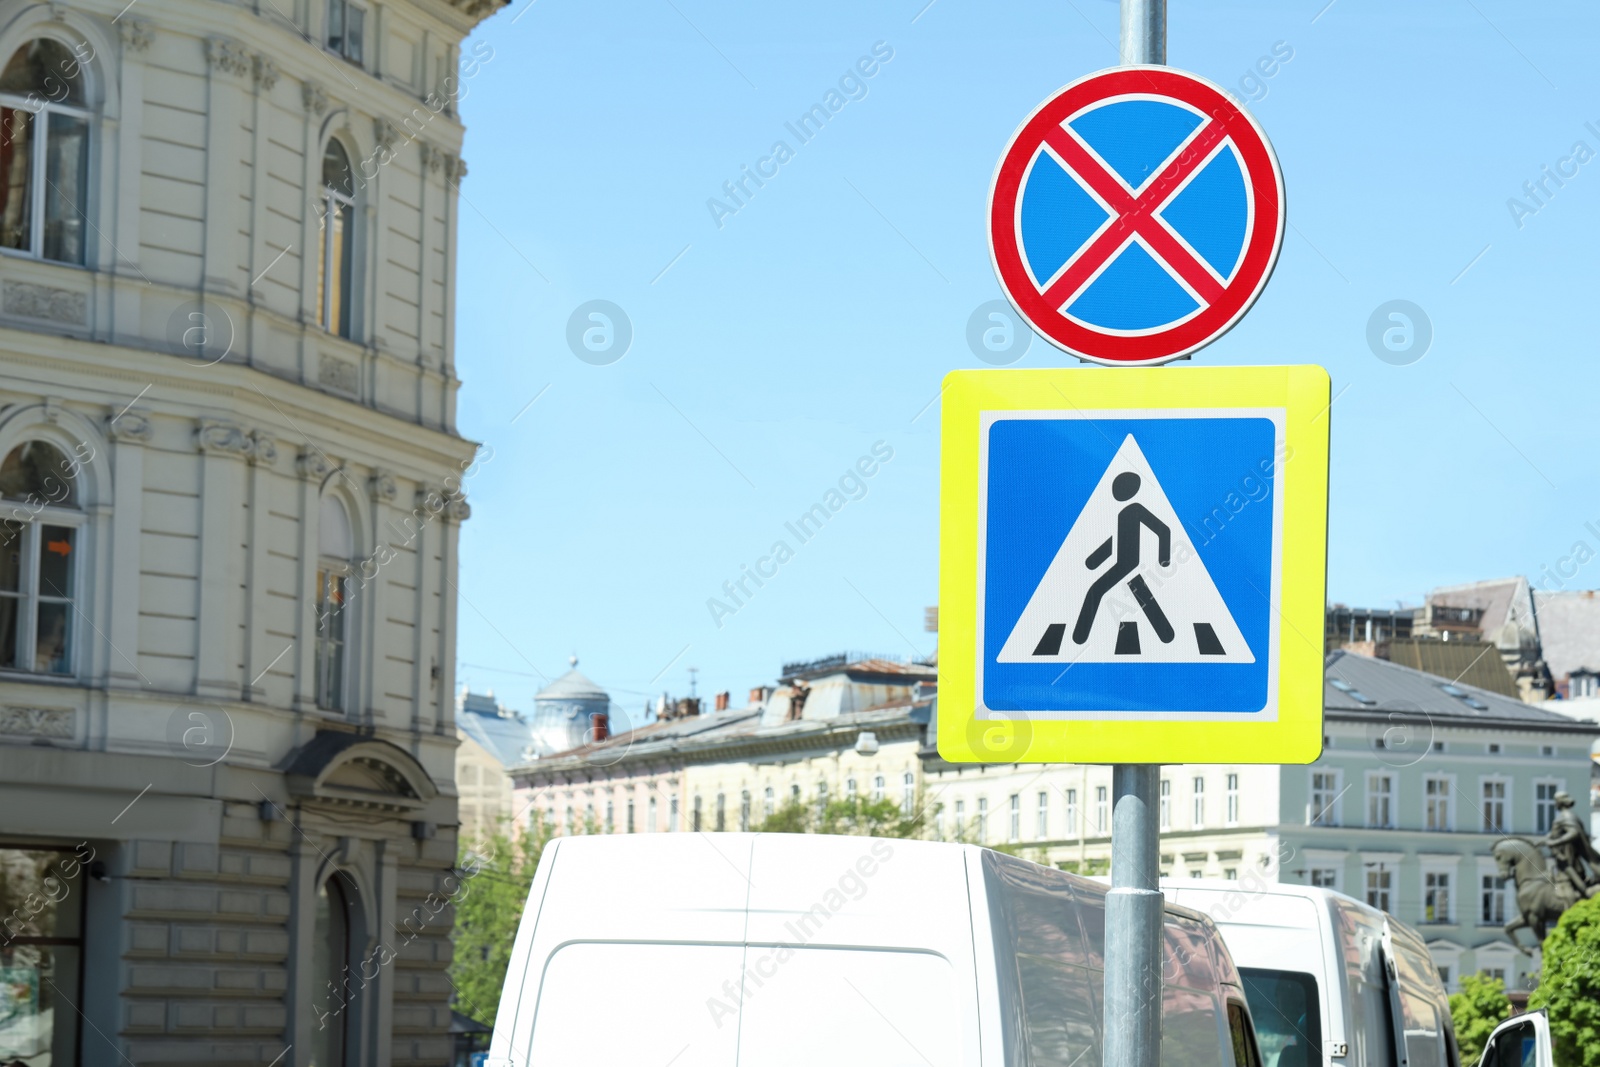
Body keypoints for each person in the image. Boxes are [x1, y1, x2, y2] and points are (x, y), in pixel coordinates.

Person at [1072, 471, 1174, 646]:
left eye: (1118, 487)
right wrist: (1094, 560)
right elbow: (1116, 542)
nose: (1115, 492)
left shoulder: (1135, 509)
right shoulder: (1123, 513)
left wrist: (1164, 558)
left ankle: (1079, 637)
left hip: (1128, 564)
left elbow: (1163, 530)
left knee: (1095, 591)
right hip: (1125, 564)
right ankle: (1167, 635)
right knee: (1141, 593)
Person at [1541, 791, 1600, 899]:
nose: (1555, 804)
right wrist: (1545, 840)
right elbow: (1556, 833)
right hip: (1564, 857)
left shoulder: (1566, 816)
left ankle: (1586, 896)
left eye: (1556, 801)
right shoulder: (1567, 817)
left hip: (1569, 858)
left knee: (1575, 888)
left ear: (1560, 802)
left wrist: (1554, 842)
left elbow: (1574, 833)